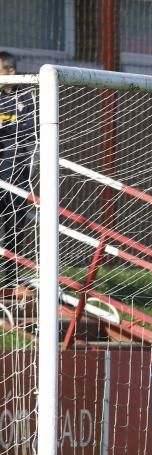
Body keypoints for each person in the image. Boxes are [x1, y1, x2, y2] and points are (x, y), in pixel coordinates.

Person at [0, 51, 36, 288]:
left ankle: (10, 281)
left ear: (11, 71)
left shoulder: (28, 98)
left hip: (18, 175)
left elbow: (34, 133)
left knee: (15, 228)